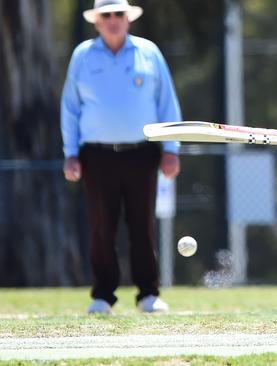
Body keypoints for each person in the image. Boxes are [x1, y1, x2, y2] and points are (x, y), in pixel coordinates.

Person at [60, 0, 181, 314]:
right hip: (96, 156)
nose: (113, 20)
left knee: (143, 225)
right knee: (101, 227)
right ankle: (102, 295)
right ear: (97, 22)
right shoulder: (83, 56)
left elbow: (167, 103)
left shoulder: (148, 53)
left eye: (118, 14)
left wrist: (171, 149)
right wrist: (71, 154)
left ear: (127, 18)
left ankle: (148, 294)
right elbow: (70, 109)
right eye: (106, 15)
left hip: (142, 153)